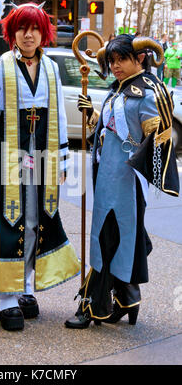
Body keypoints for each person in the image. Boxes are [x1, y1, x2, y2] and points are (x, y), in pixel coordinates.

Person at [0, 2, 80, 331]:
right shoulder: (0, 65)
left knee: (34, 220)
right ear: (11, 32)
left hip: (42, 153)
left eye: (35, 28)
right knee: (5, 220)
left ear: (44, 32)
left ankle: (27, 287)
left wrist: (63, 159)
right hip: (8, 156)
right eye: (22, 28)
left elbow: (57, 113)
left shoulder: (52, 68)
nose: (28, 34)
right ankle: (6, 297)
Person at [65, 34, 179, 329]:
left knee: (106, 241)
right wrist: (92, 115)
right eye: (112, 61)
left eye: (121, 60)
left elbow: (154, 139)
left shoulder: (148, 93)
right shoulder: (121, 89)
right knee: (116, 241)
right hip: (107, 177)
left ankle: (93, 307)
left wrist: (152, 133)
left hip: (123, 182)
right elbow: (107, 131)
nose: (115, 66)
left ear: (139, 58)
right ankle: (128, 297)